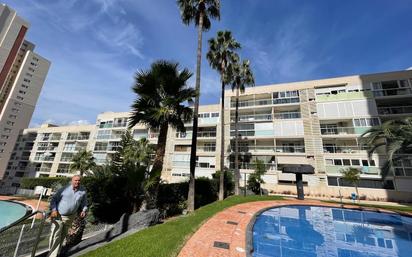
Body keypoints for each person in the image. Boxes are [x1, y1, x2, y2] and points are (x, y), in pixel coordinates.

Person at [48, 175, 87, 257]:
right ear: (72, 181)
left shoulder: (83, 190)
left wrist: (84, 210)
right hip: (58, 215)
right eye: (76, 180)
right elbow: (54, 199)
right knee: (55, 235)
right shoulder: (64, 189)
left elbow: (84, 202)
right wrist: (54, 210)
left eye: (79, 180)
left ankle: (57, 253)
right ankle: (52, 255)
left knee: (62, 236)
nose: (77, 182)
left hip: (71, 217)